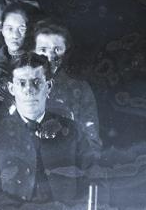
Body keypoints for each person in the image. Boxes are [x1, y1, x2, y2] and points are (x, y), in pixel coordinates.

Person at [0, 53, 98, 210]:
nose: (29, 90)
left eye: (36, 82)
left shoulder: (72, 130)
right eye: (22, 83)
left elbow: (93, 175)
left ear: (48, 87)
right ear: (11, 88)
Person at [33, 20, 100, 151]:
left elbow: (91, 138)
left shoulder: (79, 88)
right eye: (43, 49)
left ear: (66, 51)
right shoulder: (18, 85)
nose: (50, 56)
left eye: (57, 49)